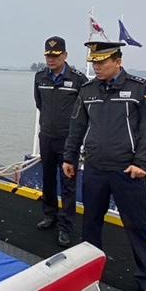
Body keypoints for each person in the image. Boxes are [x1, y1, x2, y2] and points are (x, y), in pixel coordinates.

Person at [62, 41, 146, 291]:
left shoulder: (139, 89)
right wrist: (69, 157)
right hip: (95, 169)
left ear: (118, 61)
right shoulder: (87, 90)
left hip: (127, 170)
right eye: (94, 62)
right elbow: (77, 126)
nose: (96, 67)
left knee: (137, 226)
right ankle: (89, 272)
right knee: (91, 223)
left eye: (102, 62)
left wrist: (142, 163)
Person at [34, 36, 87, 247]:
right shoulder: (40, 77)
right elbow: (39, 103)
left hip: (68, 140)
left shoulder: (78, 80)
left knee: (68, 184)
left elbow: (83, 111)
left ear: (65, 55)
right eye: (48, 55)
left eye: (55, 56)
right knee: (47, 179)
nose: (51, 59)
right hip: (47, 137)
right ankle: (50, 215)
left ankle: (65, 226)